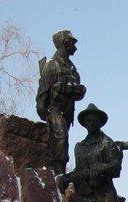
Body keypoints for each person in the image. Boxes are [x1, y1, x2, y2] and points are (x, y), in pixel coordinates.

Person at [35, 30, 86, 173]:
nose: (75, 47)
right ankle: (54, 170)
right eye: (72, 43)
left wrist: (79, 91)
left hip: (68, 109)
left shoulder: (72, 68)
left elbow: (76, 91)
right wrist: (41, 106)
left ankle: (60, 171)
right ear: (65, 43)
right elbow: (43, 89)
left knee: (64, 141)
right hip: (54, 107)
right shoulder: (52, 65)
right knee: (61, 137)